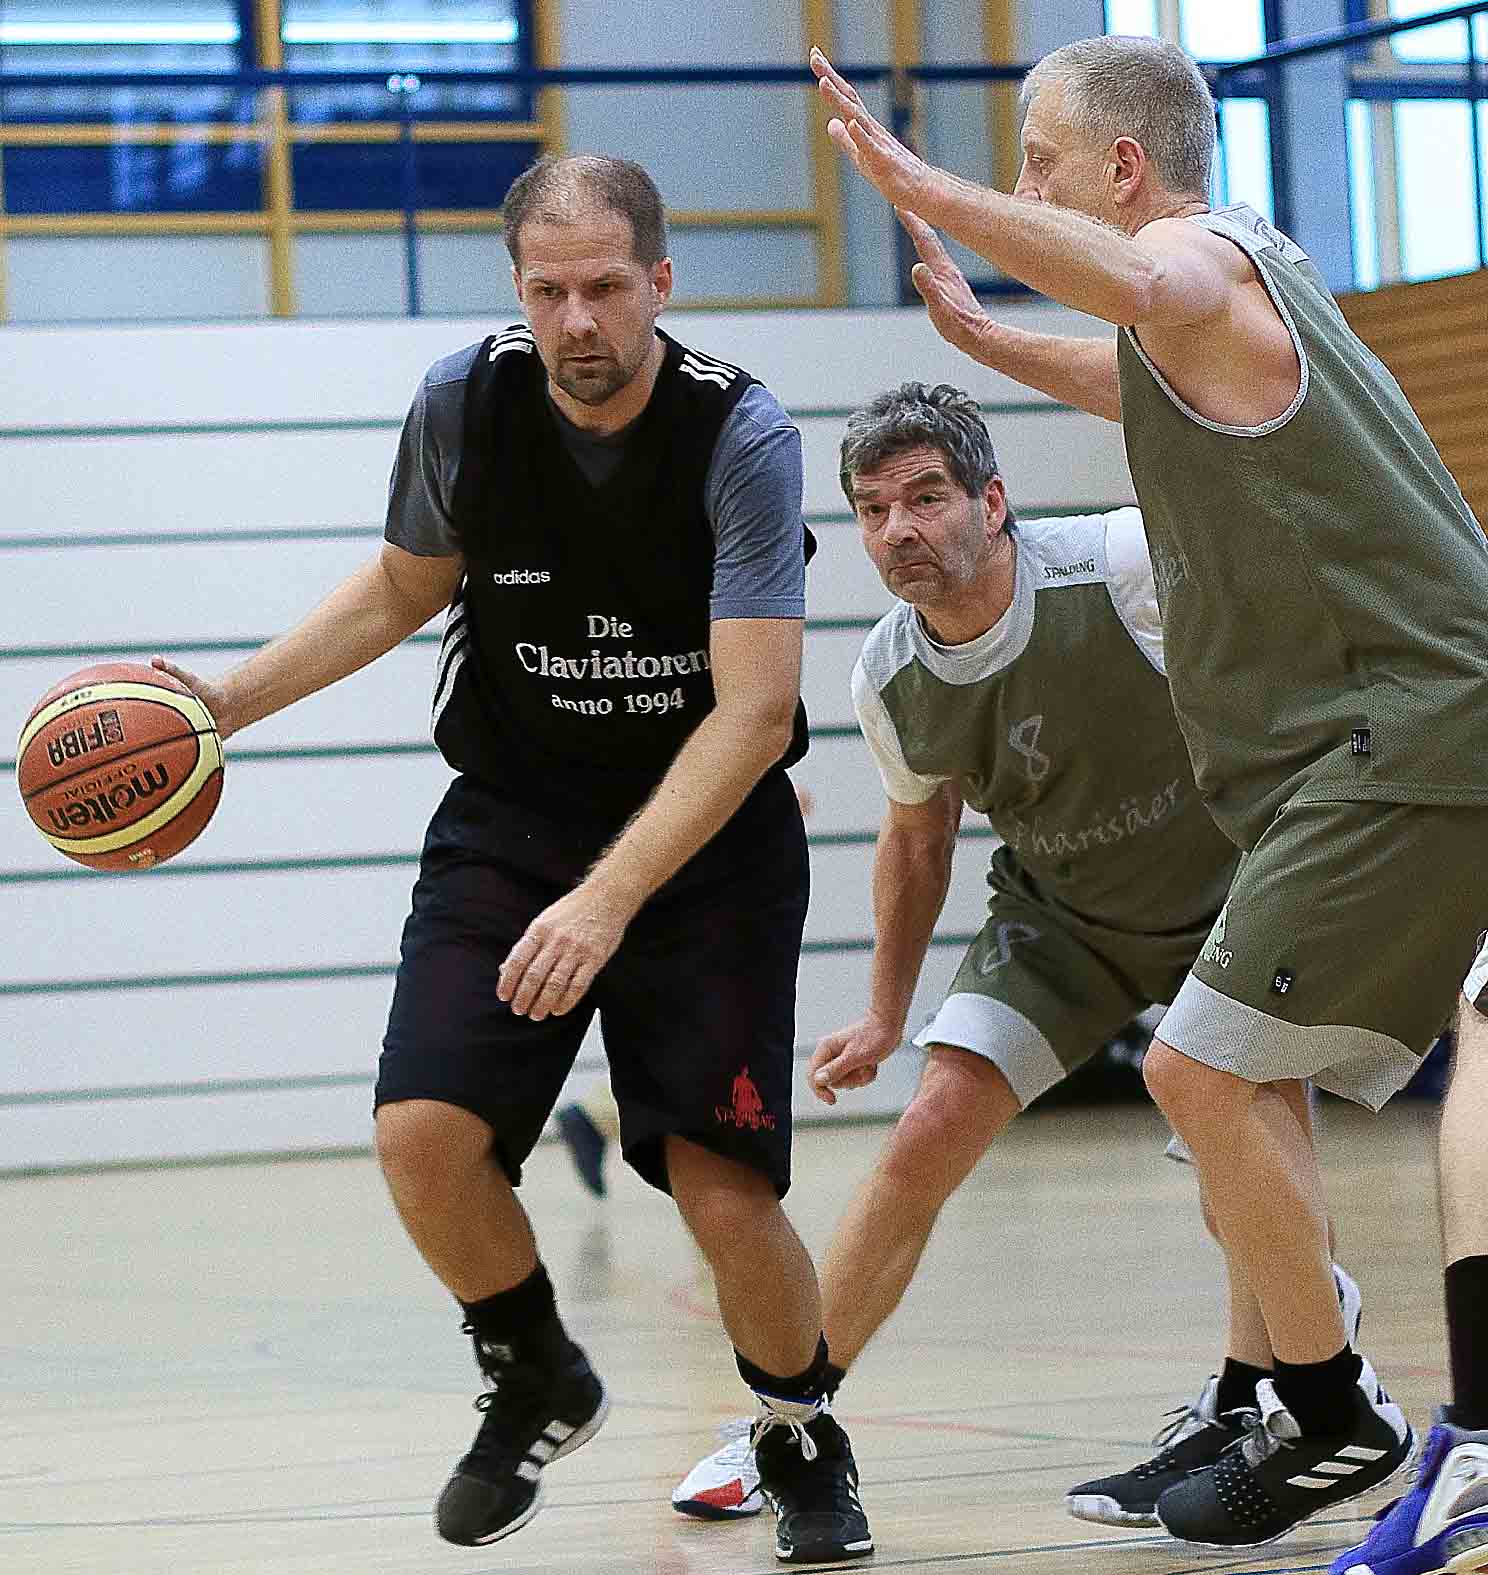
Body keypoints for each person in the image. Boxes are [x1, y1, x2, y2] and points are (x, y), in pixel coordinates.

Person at [808, 34, 1488, 1550]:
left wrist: (925, 184)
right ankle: (1287, 1398)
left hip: (1405, 732)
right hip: (1384, 743)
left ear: (1121, 169)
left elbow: (1145, 287)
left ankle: (1335, 1410)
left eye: (1040, 164)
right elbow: (1136, 370)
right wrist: (984, 342)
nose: (1025, 187)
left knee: (1200, 1074)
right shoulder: (1225, 314)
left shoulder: (1199, 256)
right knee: (1234, 1075)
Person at [153, 153, 871, 1564]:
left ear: (660, 282)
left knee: (721, 1188)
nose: (577, 319)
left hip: (708, 838)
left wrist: (609, 900)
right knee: (422, 1136)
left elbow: (754, 714)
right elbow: (402, 587)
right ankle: (535, 1366)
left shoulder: (740, 432)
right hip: (515, 815)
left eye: (605, 286)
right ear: (518, 290)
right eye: (549, 290)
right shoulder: (462, 402)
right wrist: (226, 702)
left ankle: (800, 1431)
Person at [672, 380, 1362, 1531]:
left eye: (926, 498)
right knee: (927, 1132)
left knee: (1243, 1138)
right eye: (874, 510)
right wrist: (885, 1013)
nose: (900, 529)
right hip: (1064, 923)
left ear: (992, 502)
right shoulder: (888, 676)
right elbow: (917, 841)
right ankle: (787, 1421)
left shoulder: (1120, 563)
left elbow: (1278, 635)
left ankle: (1263, 1396)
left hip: (1230, 900)